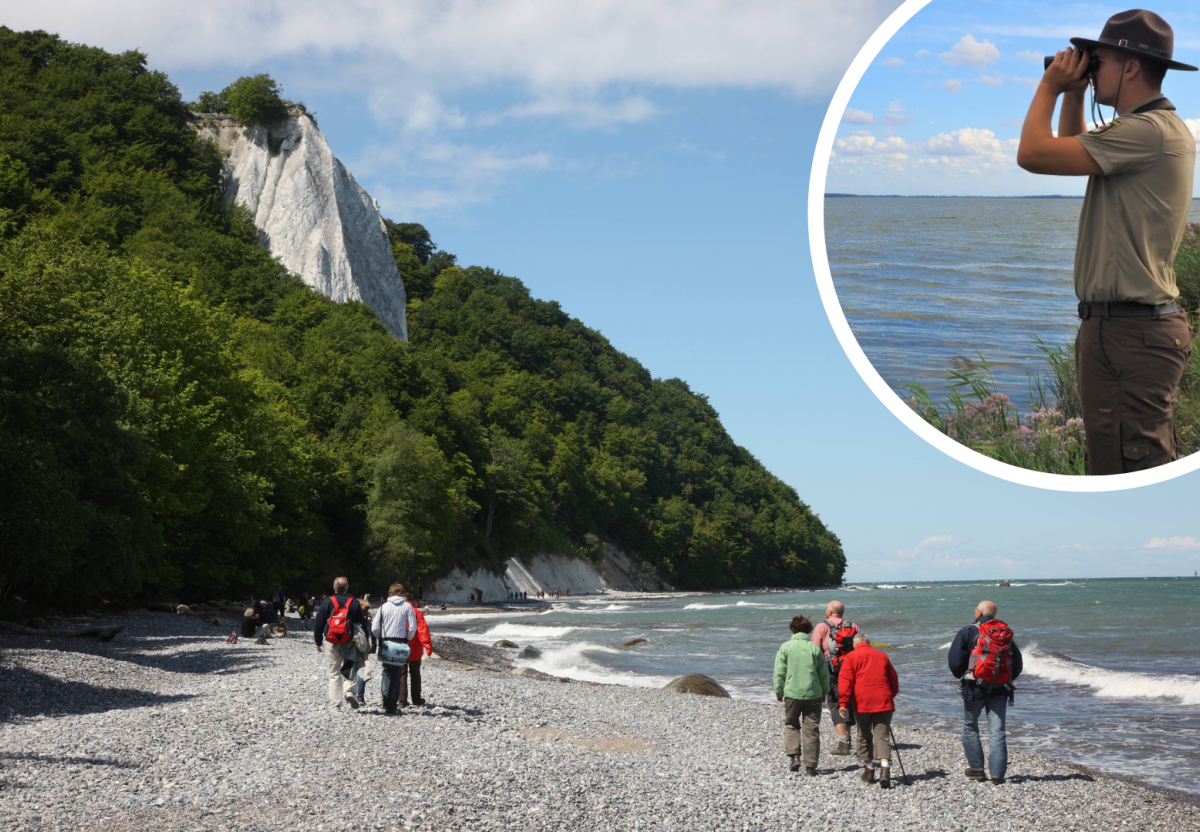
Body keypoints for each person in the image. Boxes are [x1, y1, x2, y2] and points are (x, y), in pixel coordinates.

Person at [1017, 9, 1197, 474]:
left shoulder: (1146, 131)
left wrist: (1050, 87)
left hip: (1130, 334)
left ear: (1131, 66)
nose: (1090, 71)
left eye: (1096, 62)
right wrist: (1074, 93)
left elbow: (1033, 155)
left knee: (1126, 466)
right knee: (1120, 461)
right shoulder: (1145, 131)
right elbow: (1071, 149)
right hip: (1127, 330)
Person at [948, 600, 1023, 785]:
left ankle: (977, 769)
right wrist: (1004, 680)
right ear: (993, 615)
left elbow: (955, 662)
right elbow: (1018, 663)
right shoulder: (1003, 633)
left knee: (970, 726)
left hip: (974, 688)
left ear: (979, 612)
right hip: (1000, 688)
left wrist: (964, 676)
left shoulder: (968, 631)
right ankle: (997, 776)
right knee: (997, 731)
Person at [837, 633, 900, 788]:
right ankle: (885, 770)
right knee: (882, 736)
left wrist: (843, 703)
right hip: (884, 701)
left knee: (864, 735)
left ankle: (869, 770)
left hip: (862, 701)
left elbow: (845, 681)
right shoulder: (882, 655)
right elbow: (894, 681)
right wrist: (889, 696)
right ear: (869, 643)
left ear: (854, 644)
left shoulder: (851, 657)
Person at [773, 615, 830, 776]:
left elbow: (779, 672)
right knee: (811, 729)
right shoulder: (814, 648)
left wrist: (778, 691)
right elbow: (823, 674)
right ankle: (811, 767)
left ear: (792, 629)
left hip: (792, 693)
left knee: (791, 724)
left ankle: (795, 756)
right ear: (809, 630)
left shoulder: (785, 647)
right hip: (813, 693)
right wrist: (825, 692)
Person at [312, 577, 368, 712]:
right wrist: (367, 642)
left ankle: (335, 706)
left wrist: (318, 642)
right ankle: (349, 692)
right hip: (349, 641)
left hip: (331, 642)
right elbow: (363, 624)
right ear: (347, 588)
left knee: (334, 673)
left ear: (334, 588)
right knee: (350, 669)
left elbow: (318, 624)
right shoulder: (354, 603)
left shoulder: (327, 603)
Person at [811, 600, 859, 755]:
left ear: (830, 612)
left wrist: (816, 674)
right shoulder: (853, 626)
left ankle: (843, 743)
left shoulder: (822, 626)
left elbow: (815, 650)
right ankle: (849, 738)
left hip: (832, 671)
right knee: (849, 702)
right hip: (852, 671)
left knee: (835, 703)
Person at [372, 582, 418, 714]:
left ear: (390, 593)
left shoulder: (383, 607)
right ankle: (392, 705)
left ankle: (386, 701)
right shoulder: (407, 606)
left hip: (386, 642)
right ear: (402, 593)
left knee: (386, 672)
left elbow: (375, 628)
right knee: (397, 673)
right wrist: (406, 639)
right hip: (400, 642)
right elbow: (413, 627)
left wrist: (381, 638)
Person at [405, 593, 435, 706]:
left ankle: (402, 700)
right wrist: (428, 646)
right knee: (415, 674)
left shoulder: (399, 611)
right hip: (415, 648)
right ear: (412, 600)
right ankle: (416, 699)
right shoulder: (416, 612)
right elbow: (422, 630)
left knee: (401, 674)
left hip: (400, 646)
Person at [355, 600, 376, 707]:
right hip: (364, 646)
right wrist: (373, 647)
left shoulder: (352, 613)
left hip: (352, 644)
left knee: (351, 668)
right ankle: (360, 697)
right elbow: (373, 632)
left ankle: (349, 692)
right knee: (362, 670)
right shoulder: (367, 616)